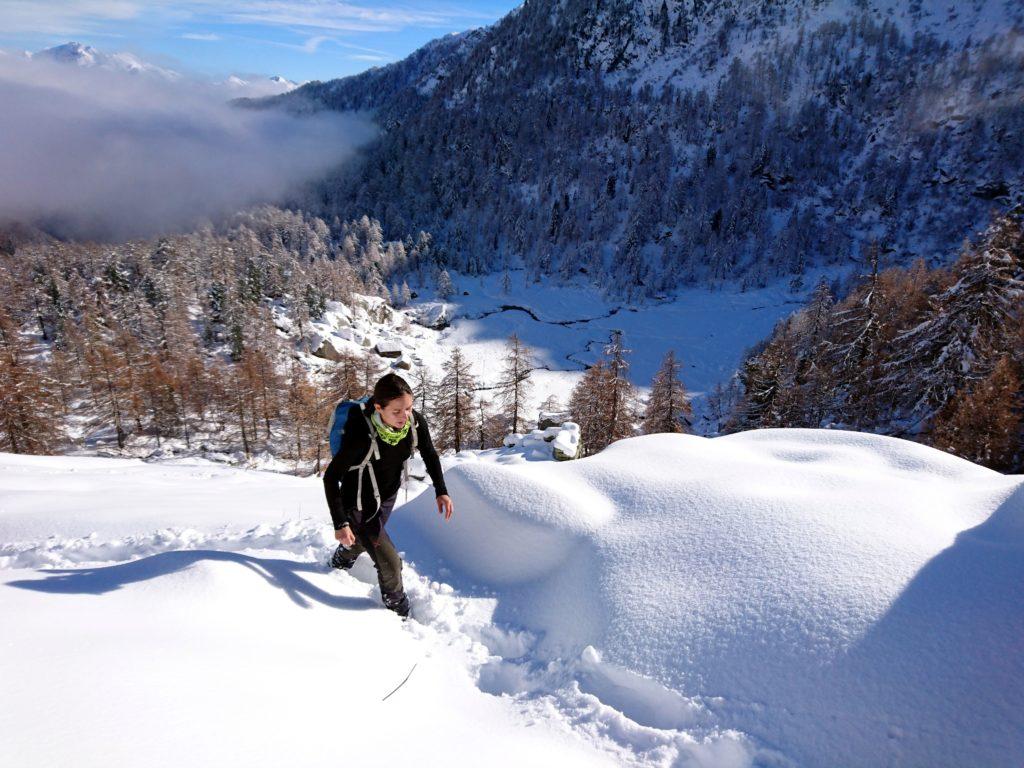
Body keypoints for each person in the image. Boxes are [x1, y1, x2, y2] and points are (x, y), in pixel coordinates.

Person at [323, 373, 453, 618]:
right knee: (391, 563)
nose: (405, 417)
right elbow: (330, 478)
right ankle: (398, 612)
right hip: (358, 502)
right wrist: (341, 522)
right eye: (397, 411)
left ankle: (341, 560)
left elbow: (429, 453)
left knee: (365, 539)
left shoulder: (413, 423)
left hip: (386, 497)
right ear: (378, 407)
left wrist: (441, 491)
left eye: (409, 408)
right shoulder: (360, 436)